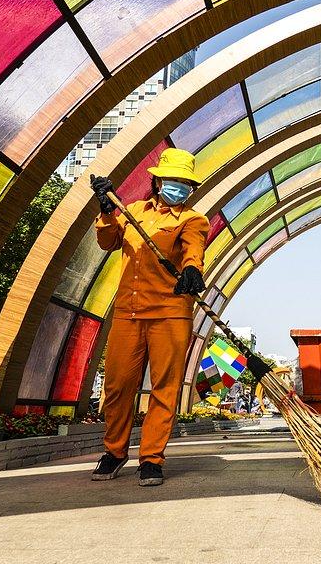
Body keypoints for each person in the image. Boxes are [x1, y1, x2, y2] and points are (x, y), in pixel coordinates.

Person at [87, 148, 209, 486]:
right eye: (174, 181)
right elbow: (107, 241)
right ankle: (114, 451)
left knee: (164, 388)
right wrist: (107, 210)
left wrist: (191, 271)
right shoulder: (133, 212)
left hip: (171, 312)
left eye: (186, 183)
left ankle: (152, 458)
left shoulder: (191, 219)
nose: (180, 187)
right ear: (156, 181)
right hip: (129, 311)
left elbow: (193, 250)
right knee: (117, 386)